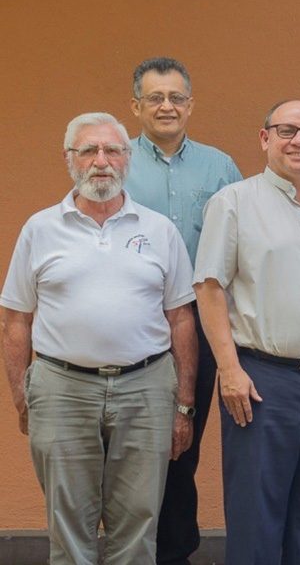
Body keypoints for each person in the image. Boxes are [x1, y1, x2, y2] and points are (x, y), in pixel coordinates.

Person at [2, 112, 197, 565]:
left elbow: (181, 320)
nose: (101, 161)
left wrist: (183, 403)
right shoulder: (40, 228)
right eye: (88, 150)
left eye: (112, 150)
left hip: (146, 387)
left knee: (139, 519)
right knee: (68, 521)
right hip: (61, 387)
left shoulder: (159, 230)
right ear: (70, 159)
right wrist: (22, 393)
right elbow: (15, 321)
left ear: (127, 159)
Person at [194, 99, 300, 565]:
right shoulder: (233, 203)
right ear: (265, 138)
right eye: (287, 131)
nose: (299, 141)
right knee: (256, 510)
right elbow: (209, 289)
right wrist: (229, 369)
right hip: (260, 380)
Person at [123, 56, 242, 565]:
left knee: (182, 445)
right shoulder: (114, 160)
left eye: (175, 97)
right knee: (132, 451)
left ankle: (175, 552)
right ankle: (133, 549)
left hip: (201, 322)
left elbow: (243, 244)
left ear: (190, 104)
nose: (166, 106)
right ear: (137, 106)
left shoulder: (220, 167)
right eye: (155, 97)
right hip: (134, 324)